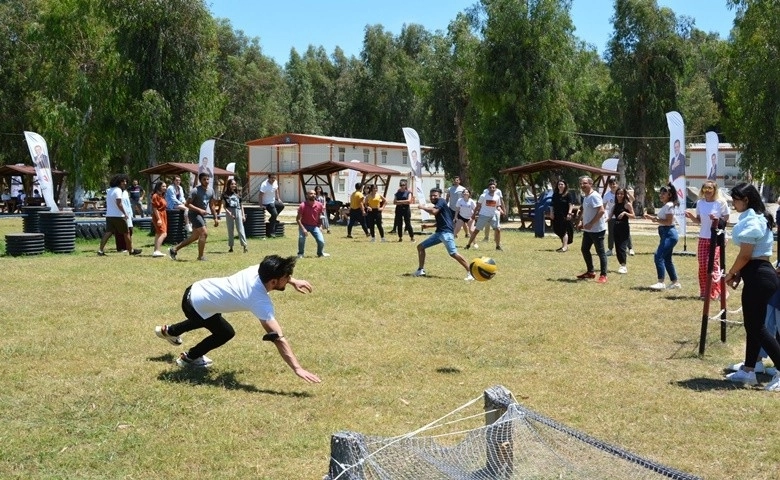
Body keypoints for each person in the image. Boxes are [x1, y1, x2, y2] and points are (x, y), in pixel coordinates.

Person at [153, 254, 322, 383]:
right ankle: (189, 358)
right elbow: (278, 338)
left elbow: (276, 274)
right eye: (286, 278)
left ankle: (169, 331)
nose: (288, 280)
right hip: (195, 306)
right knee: (225, 332)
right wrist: (297, 368)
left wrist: (293, 281)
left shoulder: (259, 270)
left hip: (196, 289)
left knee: (208, 316)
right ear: (273, 281)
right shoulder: (259, 300)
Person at [722, 183, 780, 391]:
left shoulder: (754, 221)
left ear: (745, 199)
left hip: (760, 276)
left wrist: (730, 273)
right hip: (757, 275)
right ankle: (748, 371)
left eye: (735, 200)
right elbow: (749, 257)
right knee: (753, 326)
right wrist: (739, 273)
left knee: (757, 328)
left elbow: (746, 255)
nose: (733, 204)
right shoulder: (756, 218)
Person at [413, 187, 473, 281]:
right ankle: (421, 270)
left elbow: (434, 211)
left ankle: (471, 272)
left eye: (435, 195)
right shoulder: (441, 205)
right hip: (439, 233)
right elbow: (444, 221)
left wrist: (423, 207)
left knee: (453, 253)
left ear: (440, 196)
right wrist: (429, 226)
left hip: (446, 233)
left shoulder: (441, 201)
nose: (433, 197)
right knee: (420, 247)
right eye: (431, 195)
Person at [684, 181, 730, 300]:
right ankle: (705, 291)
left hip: (717, 237)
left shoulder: (721, 203)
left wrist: (717, 219)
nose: (707, 190)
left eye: (710, 188)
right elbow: (699, 221)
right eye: (705, 188)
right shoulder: (700, 203)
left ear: (715, 190)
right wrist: (691, 217)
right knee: (703, 265)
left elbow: (726, 221)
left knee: (712, 264)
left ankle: (716, 291)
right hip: (703, 237)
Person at [169, 173, 220, 261]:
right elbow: (187, 204)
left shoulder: (211, 191)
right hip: (193, 214)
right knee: (204, 233)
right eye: (204, 179)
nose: (206, 181)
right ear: (200, 180)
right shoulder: (195, 191)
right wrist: (199, 210)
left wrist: (215, 217)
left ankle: (174, 249)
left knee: (195, 236)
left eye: (208, 179)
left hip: (201, 215)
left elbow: (211, 205)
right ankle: (201, 256)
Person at [643, 183, 681, 290]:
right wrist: (652, 217)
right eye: (660, 193)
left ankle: (661, 282)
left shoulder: (669, 205)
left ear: (669, 194)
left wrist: (655, 220)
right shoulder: (667, 206)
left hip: (669, 233)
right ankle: (675, 282)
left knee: (658, 256)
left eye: (664, 193)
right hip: (666, 233)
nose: (661, 195)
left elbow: (668, 222)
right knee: (667, 259)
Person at [97, 174, 141, 256]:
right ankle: (131, 250)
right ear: (118, 182)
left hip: (109, 215)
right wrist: (125, 213)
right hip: (118, 216)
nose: (125, 183)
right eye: (123, 181)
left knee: (108, 233)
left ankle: (100, 250)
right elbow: (119, 203)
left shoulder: (110, 190)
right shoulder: (118, 190)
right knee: (126, 232)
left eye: (125, 181)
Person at [575, 176, 607, 283]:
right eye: (581, 184)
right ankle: (590, 272)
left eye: (584, 183)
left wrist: (591, 223)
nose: (582, 185)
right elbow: (587, 212)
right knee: (584, 249)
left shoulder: (595, 196)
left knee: (600, 252)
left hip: (597, 230)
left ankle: (603, 275)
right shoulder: (586, 196)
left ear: (590, 184)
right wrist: (582, 223)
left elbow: (601, 211)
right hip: (588, 230)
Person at [465, 181, 504, 251]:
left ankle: (498, 246)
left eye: (493, 187)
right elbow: (478, 205)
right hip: (483, 215)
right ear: (488, 189)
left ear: (495, 189)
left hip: (493, 215)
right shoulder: (483, 196)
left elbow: (498, 206)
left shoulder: (497, 197)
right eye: (490, 187)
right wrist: (474, 214)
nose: (492, 189)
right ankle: (468, 245)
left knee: (498, 229)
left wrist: (500, 210)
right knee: (476, 231)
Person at [297, 189, 330, 258]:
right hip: (304, 225)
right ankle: (300, 253)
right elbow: (298, 219)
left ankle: (320, 253)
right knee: (301, 238)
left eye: (314, 194)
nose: (313, 195)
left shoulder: (319, 205)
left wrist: (320, 226)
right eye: (311, 194)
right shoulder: (302, 205)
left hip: (314, 226)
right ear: (307, 195)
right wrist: (303, 229)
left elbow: (320, 216)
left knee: (321, 241)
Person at [611, 188, 635, 274]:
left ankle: (624, 265)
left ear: (624, 195)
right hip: (616, 227)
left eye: (621, 194)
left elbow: (633, 216)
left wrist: (625, 213)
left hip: (624, 227)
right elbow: (610, 216)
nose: (619, 195)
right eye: (618, 194)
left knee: (622, 247)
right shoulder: (615, 205)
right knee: (617, 247)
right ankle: (621, 264)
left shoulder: (627, 204)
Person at [222, 178, 248, 253]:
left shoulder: (238, 194)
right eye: (232, 184)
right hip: (229, 211)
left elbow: (241, 205)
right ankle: (231, 246)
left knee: (240, 229)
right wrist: (229, 213)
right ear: (229, 185)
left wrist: (243, 215)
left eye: (235, 184)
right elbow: (224, 206)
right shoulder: (225, 194)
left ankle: (244, 246)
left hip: (238, 210)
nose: (234, 185)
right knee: (230, 229)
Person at [550, 179, 575, 252]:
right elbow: (552, 205)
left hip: (564, 215)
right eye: (559, 184)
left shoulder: (568, 194)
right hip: (556, 215)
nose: (560, 186)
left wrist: (569, 213)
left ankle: (564, 247)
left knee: (563, 230)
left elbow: (571, 204)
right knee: (556, 229)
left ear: (565, 186)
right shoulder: (555, 194)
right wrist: (551, 213)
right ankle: (564, 245)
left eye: (562, 184)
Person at [259, 173, 283, 238]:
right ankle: (271, 232)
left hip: (272, 201)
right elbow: (260, 195)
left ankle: (272, 219)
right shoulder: (264, 185)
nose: (273, 179)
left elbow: (276, 190)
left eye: (274, 178)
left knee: (281, 206)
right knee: (274, 214)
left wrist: (278, 198)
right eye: (272, 178)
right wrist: (261, 205)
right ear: (268, 178)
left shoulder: (275, 182)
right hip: (266, 203)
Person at [151, 181, 168, 257]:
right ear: (158, 187)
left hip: (163, 215)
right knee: (163, 233)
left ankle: (156, 250)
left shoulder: (162, 196)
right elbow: (155, 208)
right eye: (163, 186)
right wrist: (159, 219)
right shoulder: (155, 196)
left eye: (165, 186)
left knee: (158, 233)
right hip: (158, 215)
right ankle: (157, 251)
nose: (165, 188)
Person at [602, 177, 617, 256]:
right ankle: (610, 249)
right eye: (610, 184)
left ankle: (630, 248)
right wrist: (603, 216)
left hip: (621, 217)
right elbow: (603, 206)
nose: (612, 186)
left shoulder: (620, 193)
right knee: (611, 234)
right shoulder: (606, 195)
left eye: (614, 184)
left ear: (616, 184)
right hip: (611, 217)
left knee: (624, 233)